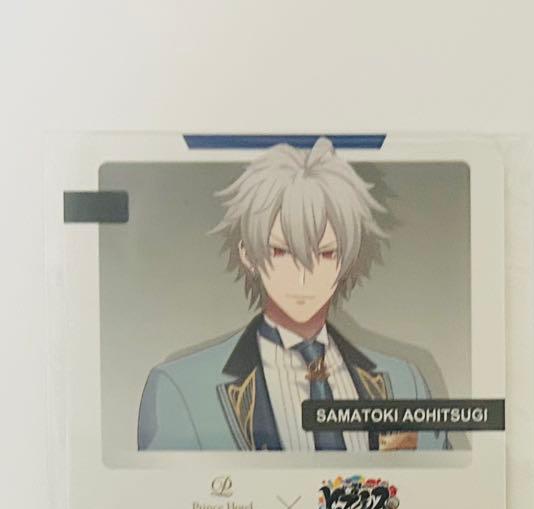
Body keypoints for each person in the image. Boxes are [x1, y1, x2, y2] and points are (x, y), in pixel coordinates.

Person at [137, 137, 446, 452]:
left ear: (349, 259)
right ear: (248, 254)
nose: (303, 278)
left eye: (326, 254)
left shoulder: (404, 382)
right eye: (281, 252)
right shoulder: (182, 389)